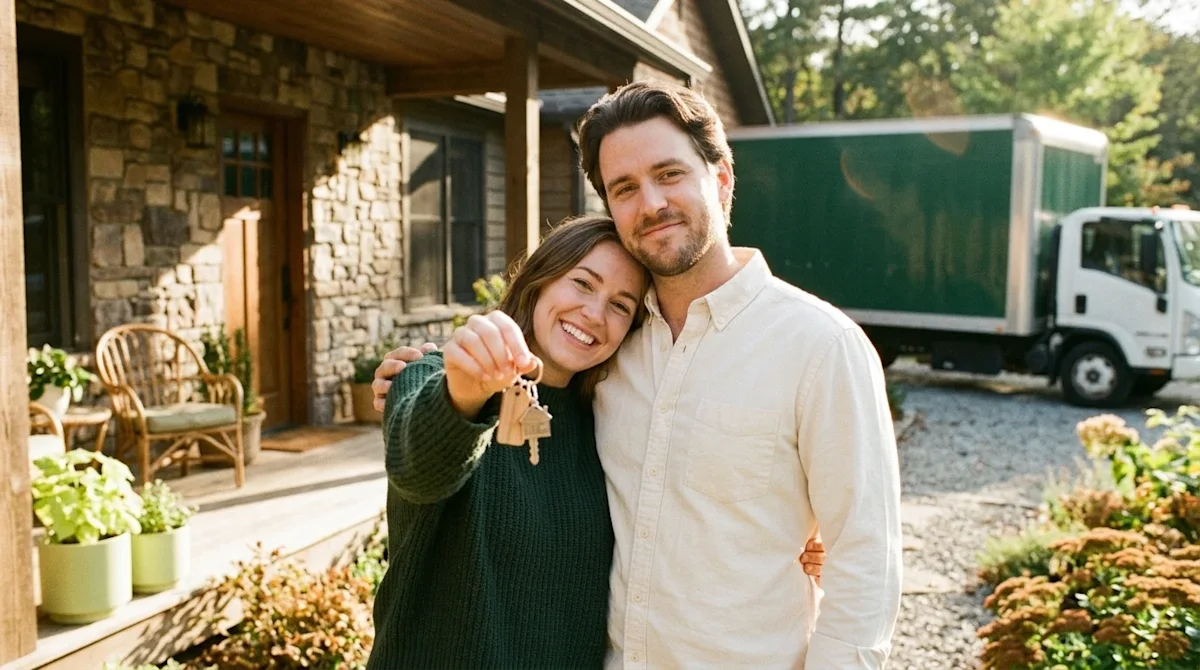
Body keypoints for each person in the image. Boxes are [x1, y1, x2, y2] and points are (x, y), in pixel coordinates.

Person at [377, 80, 898, 668]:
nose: (650, 203)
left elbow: (865, 563)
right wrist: (447, 390)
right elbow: (426, 458)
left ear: (721, 178)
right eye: (625, 188)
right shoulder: (612, 357)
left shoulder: (820, 347)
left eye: (669, 173)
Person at [364, 214, 650, 669]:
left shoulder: (607, 419)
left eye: (621, 305)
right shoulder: (430, 374)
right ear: (539, 280)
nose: (595, 314)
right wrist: (465, 393)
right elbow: (417, 470)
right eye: (582, 283)